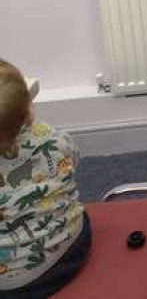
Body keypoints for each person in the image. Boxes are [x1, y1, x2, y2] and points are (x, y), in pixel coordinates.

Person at [0, 60, 90, 297]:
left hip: (12, 285)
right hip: (73, 247)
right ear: (29, 108)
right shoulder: (50, 137)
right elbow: (73, 158)